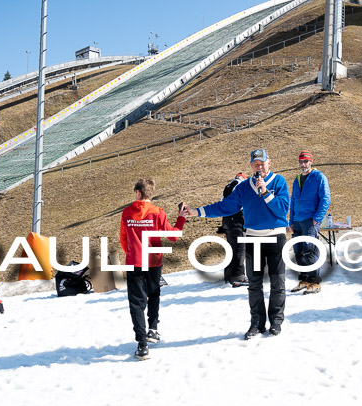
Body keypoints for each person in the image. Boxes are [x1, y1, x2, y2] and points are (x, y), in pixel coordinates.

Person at [186, 148, 290, 339]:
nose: (259, 167)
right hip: (252, 238)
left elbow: (282, 209)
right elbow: (225, 206)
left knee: (277, 282)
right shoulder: (243, 187)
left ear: (269, 163)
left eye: (262, 163)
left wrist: (266, 193)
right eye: (255, 164)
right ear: (251, 166)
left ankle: (276, 322)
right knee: (255, 284)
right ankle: (257, 324)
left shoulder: (279, 182)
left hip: (275, 237)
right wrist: (196, 211)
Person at [120, 178, 186, 360]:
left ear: (138, 193)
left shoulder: (127, 212)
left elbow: (123, 239)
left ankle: (142, 345)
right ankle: (153, 329)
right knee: (154, 293)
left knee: (136, 302)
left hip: (135, 261)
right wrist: (181, 218)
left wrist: (132, 253)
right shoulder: (158, 212)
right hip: (154, 261)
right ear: (151, 194)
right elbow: (173, 236)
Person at [288, 150, 331, 294]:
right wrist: (291, 221)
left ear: (311, 162)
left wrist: (317, 219)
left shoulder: (319, 177)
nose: (303, 164)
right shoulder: (298, 178)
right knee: (298, 251)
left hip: (310, 220)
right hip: (298, 221)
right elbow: (293, 200)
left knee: (309, 251)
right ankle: (304, 280)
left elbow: (325, 199)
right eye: (301, 162)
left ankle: (315, 282)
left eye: (306, 161)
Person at [219, 172, 249, 287]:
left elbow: (222, 202)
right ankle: (238, 276)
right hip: (236, 218)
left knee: (231, 247)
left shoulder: (228, 186)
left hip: (226, 219)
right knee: (239, 248)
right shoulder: (240, 185)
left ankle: (229, 275)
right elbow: (244, 202)